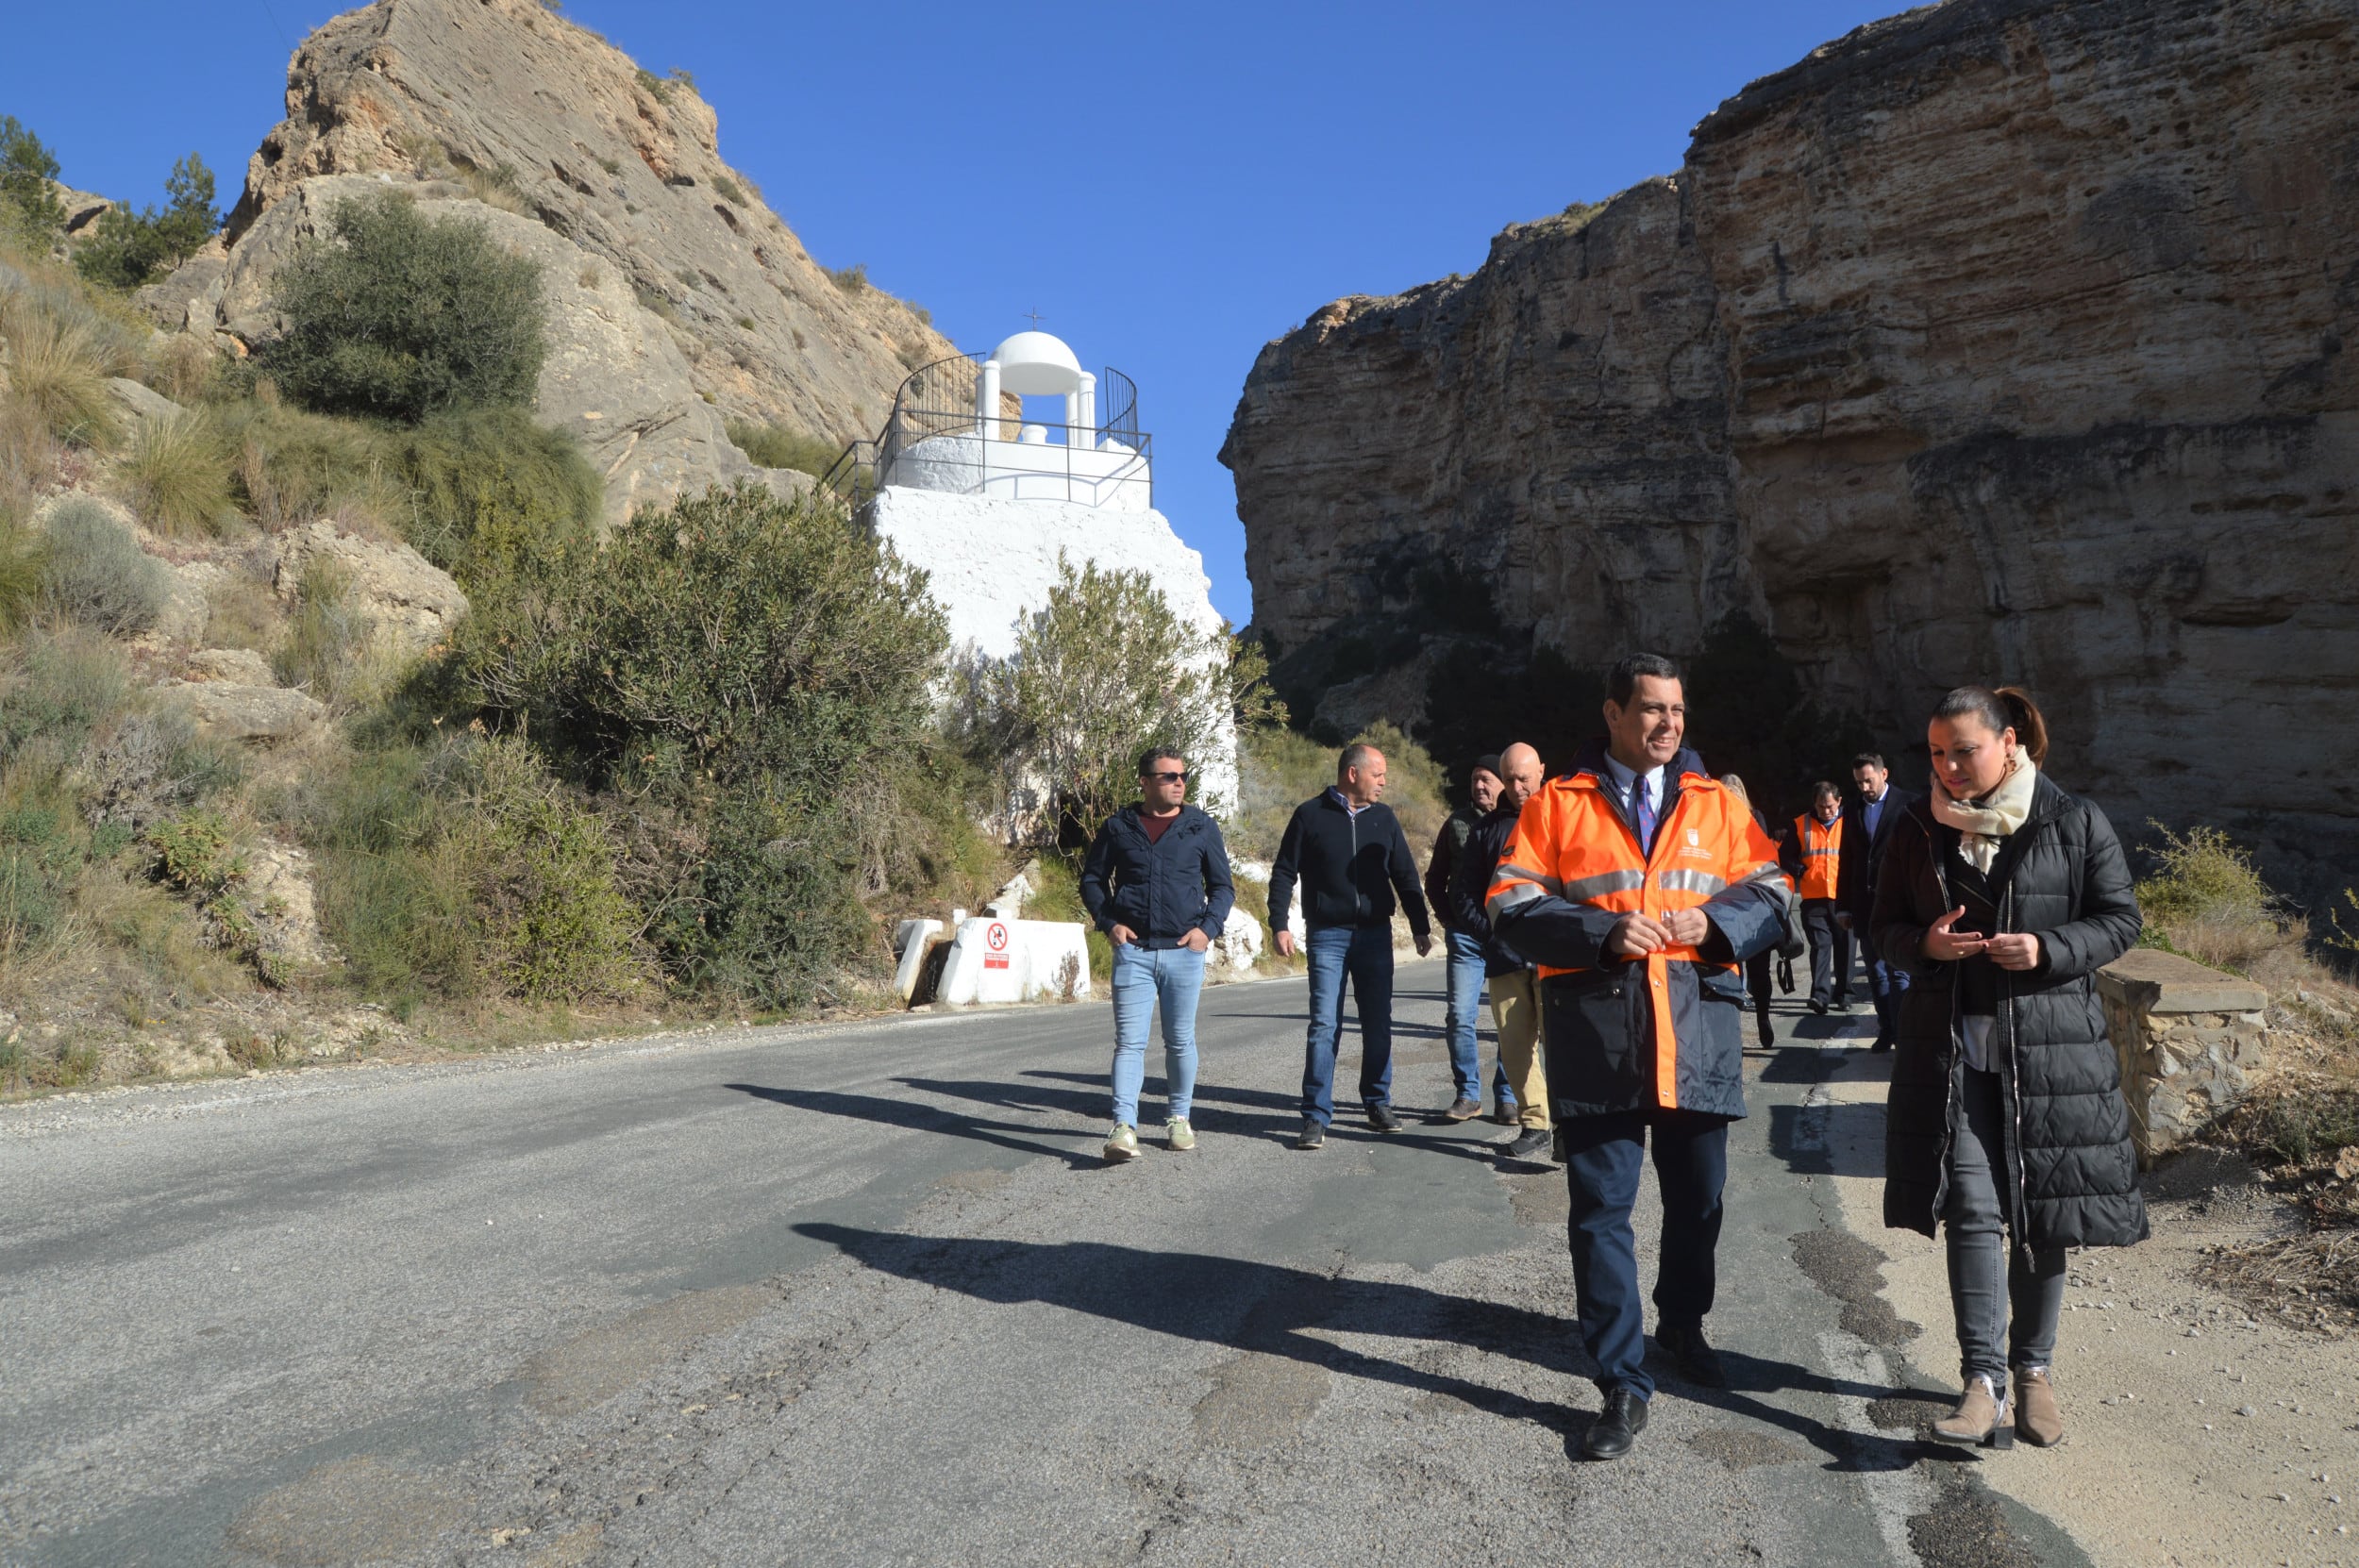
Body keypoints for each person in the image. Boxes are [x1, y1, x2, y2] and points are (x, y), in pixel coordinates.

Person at [1488, 654, 1785, 1460]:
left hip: (1698, 1039)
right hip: (1601, 1042)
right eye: (1652, 709)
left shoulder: (1719, 804)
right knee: (1600, 1218)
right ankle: (1621, 1379)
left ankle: (1683, 1323)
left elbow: (1776, 890)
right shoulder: (1557, 804)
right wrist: (1599, 933)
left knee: (1700, 1205)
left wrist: (1716, 924)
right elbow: (1509, 903)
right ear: (1614, 714)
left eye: (1678, 711)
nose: (1669, 724)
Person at [1872, 687, 2146, 1450]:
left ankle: (2034, 1372)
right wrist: (1924, 945)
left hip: (2052, 1053)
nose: (1951, 766)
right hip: (1951, 1051)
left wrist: (2048, 950)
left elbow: (2121, 919)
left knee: (2042, 1218)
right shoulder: (1914, 826)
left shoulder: (2074, 819)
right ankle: (1981, 1382)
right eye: (1936, 752)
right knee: (1971, 1207)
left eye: (1965, 749)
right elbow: (1882, 925)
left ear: (2011, 741)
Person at [1270, 743, 1434, 1149]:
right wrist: (1280, 924)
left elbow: (1405, 874)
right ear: (1353, 774)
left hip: (1376, 935)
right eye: (1378, 773)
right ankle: (1315, 1116)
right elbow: (1283, 872)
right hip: (1327, 933)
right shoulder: (1310, 815)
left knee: (1378, 1022)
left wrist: (1419, 925)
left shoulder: (1385, 817)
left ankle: (1377, 1102)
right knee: (1324, 1024)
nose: (1384, 781)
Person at [1079, 747, 1236, 1163]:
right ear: (1145, 783)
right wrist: (1108, 922)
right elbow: (1093, 880)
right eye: (1168, 777)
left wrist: (1207, 930)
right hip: (1134, 952)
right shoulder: (1118, 827)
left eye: (1182, 776)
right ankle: (1123, 1128)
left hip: (1184, 953)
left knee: (1180, 1041)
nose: (1178, 783)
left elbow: (1223, 887)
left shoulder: (1201, 827)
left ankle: (1178, 1119)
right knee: (1129, 1044)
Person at [1448, 742, 1552, 1158]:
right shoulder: (1486, 830)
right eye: (1509, 779)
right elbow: (1462, 892)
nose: (1517, 786)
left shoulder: (1564, 818)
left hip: (1555, 957)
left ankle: (1569, 1124)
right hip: (1505, 957)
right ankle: (1536, 1123)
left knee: (1562, 1045)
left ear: (1542, 771)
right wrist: (1490, 933)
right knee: (1514, 1044)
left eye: (1524, 777)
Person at [1427, 754, 1507, 1121]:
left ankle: (1508, 1096)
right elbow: (1435, 879)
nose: (1479, 786)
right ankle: (1468, 1095)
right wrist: (1449, 920)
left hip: (1510, 936)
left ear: (1503, 783)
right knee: (1460, 1016)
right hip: (1465, 938)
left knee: (1513, 1020)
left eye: (1487, 779)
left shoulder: (1520, 821)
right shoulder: (1456, 823)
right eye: (1475, 779)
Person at [1837, 752, 1917, 1051]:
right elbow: (1847, 859)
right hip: (1865, 906)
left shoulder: (1908, 805)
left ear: (1884, 774)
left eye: (1868, 780)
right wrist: (1843, 905)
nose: (1864, 787)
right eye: (1858, 782)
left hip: (1900, 903)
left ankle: (1906, 1033)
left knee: (1899, 973)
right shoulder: (1852, 810)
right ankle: (1888, 1031)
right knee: (1876, 972)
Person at [1718, 774, 1782, 1049]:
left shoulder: (1747, 820)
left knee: (1754, 968)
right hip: (1732, 902)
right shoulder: (1716, 821)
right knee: (1747, 969)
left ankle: (1761, 1016)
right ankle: (1750, 1016)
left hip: (1744, 901)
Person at [1784, 782, 1852, 1014]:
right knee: (1821, 946)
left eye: (1830, 806)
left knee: (1844, 946)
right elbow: (1786, 855)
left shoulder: (1850, 822)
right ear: (1814, 804)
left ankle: (1843, 994)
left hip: (1843, 896)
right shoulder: (1800, 824)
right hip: (1813, 897)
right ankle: (1820, 997)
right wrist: (1799, 870)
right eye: (1822, 806)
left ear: (1839, 801)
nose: (1826, 811)